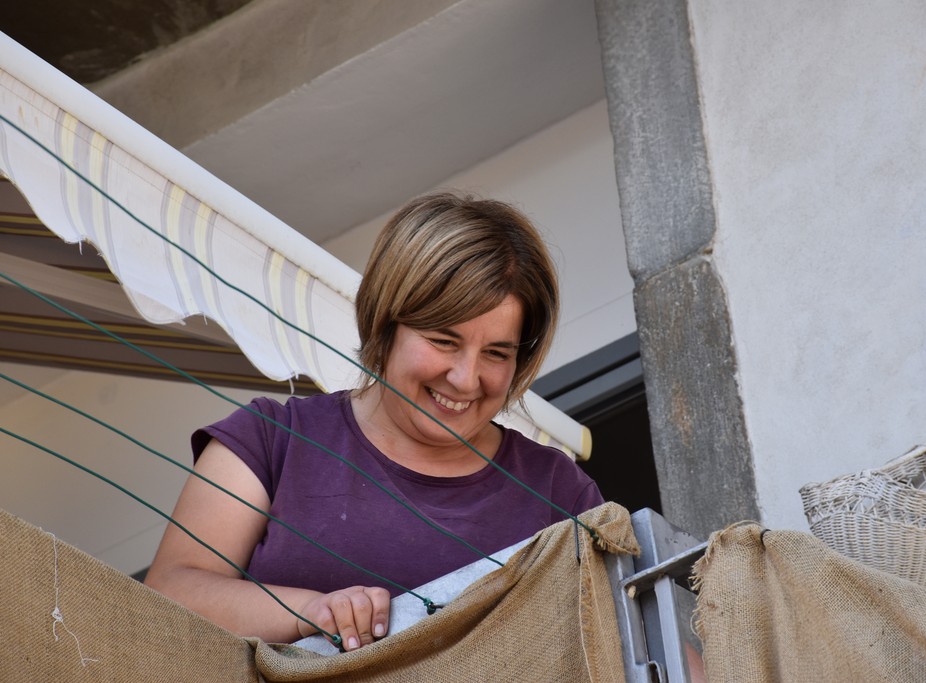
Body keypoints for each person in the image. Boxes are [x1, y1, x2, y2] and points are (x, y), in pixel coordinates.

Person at [144, 191, 604, 652]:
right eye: (444, 341)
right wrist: (312, 613)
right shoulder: (269, 440)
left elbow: (615, 640)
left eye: (496, 353)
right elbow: (168, 596)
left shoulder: (559, 491)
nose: (466, 379)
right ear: (385, 324)